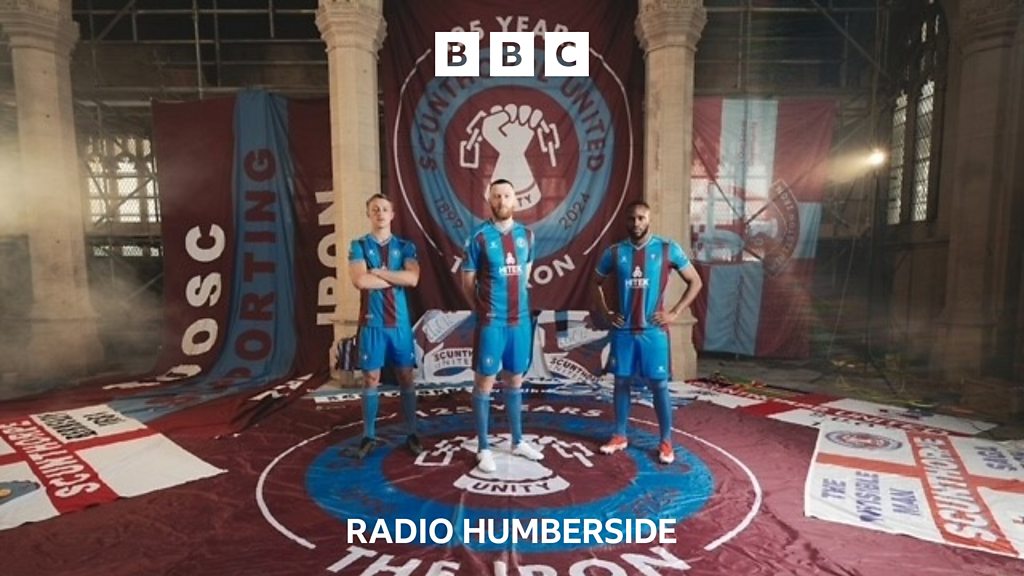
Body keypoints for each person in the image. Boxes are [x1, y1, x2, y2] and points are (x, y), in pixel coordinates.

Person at [593, 200, 703, 464]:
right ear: (625, 221)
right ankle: (620, 435)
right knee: (621, 382)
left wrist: (674, 312)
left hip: (653, 332)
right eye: (631, 218)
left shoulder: (667, 248)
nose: (636, 223)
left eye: (641, 218)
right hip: (624, 332)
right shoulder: (615, 252)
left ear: (649, 219)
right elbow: (595, 283)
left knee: (659, 385)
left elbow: (695, 281)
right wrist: (607, 312)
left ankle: (666, 442)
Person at [461, 179, 544, 473]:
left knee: (515, 380)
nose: (501, 200)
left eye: (507, 195)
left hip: (519, 321)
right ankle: (483, 447)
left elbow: (525, 275)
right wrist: (482, 309)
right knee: (484, 382)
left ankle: (517, 440)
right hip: (492, 322)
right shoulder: (479, 237)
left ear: (515, 200)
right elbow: (467, 281)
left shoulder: (527, 236)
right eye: (496, 196)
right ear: (490, 201)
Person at [348, 194, 422, 458]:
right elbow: (360, 281)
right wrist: (395, 277)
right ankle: (368, 436)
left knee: (406, 377)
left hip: (399, 324)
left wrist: (378, 272)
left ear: (392, 215)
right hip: (372, 324)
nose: (380, 213)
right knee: (371, 379)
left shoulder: (405, 246)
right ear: (368, 214)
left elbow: (413, 279)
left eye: (384, 209)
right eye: (375, 209)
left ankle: (412, 432)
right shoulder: (358, 245)